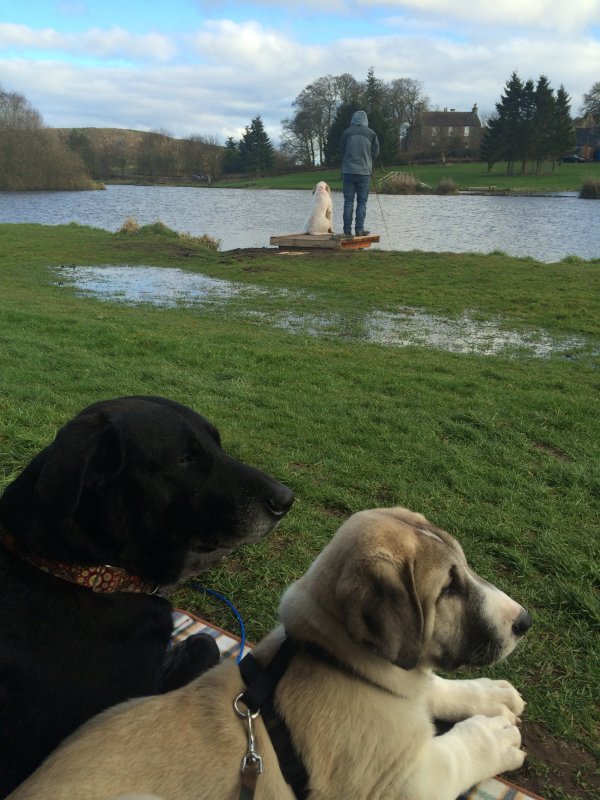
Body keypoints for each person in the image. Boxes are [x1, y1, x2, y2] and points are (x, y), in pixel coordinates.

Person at [340, 110, 380, 237]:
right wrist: (368, 159)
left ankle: (347, 231)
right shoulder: (371, 133)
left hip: (348, 171)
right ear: (365, 120)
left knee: (348, 202)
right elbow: (375, 152)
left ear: (353, 119)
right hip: (364, 172)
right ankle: (359, 230)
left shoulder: (347, 132)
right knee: (362, 202)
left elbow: (342, 151)